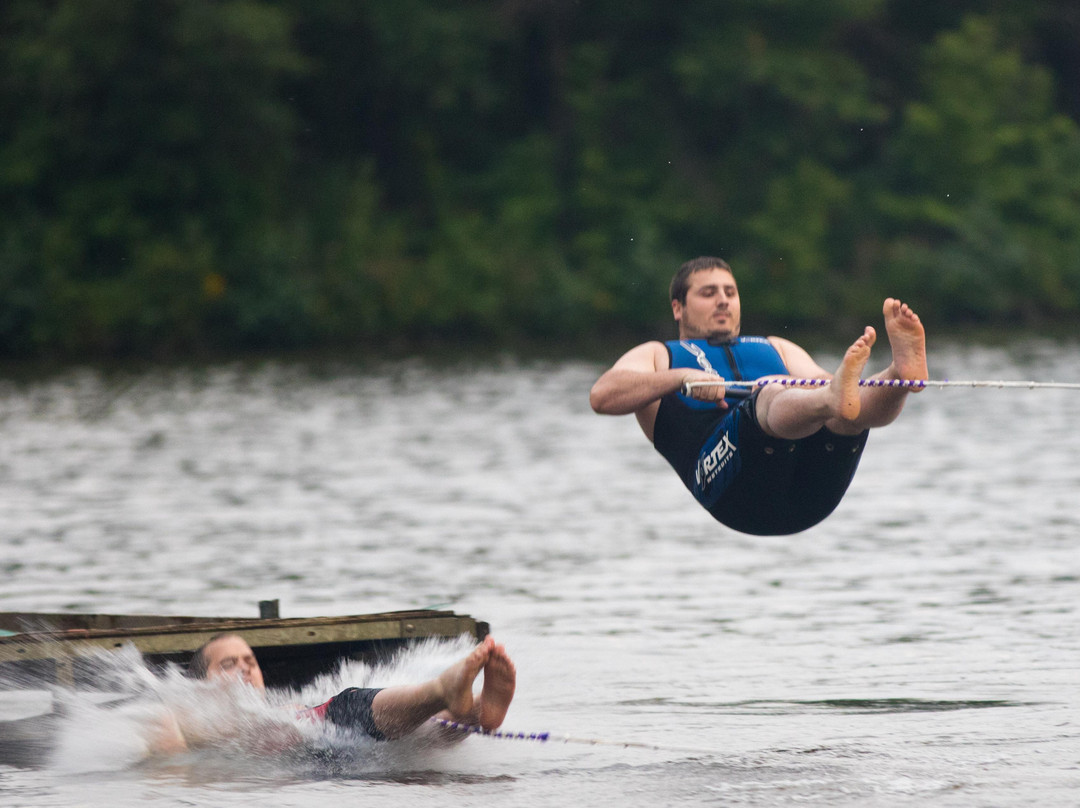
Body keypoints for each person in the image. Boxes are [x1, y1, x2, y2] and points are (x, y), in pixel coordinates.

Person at [589, 256, 928, 535]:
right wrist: (678, 378)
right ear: (678, 308)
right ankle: (825, 397)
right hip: (734, 493)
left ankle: (899, 375)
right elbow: (602, 396)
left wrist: (844, 392)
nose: (723, 299)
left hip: (815, 496)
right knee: (775, 395)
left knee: (844, 410)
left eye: (730, 292)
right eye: (708, 293)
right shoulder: (658, 355)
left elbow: (848, 399)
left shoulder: (776, 347)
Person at [146, 633, 516, 756]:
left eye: (250, 660)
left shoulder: (279, 707)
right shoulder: (189, 716)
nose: (245, 668)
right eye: (229, 664)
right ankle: (444, 692)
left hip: (327, 746)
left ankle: (475, 712)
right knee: (346, 709)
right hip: (315, 755)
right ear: (203, 683)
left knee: (416, 735)